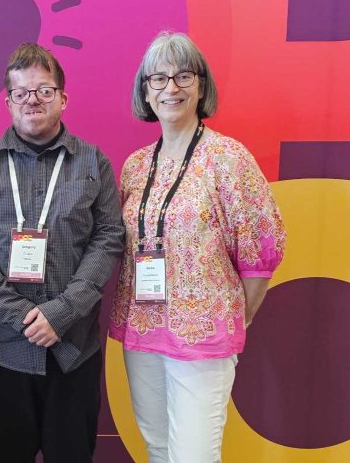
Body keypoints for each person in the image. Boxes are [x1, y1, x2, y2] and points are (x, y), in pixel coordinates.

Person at [109, 32, 286, 463]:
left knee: (194, 457)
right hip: (142, 329)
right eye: (158, 78)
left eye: (183, 76)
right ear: (145, 91)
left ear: (201, 86)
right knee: (157, 449)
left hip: (203, 336)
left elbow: (261, 250)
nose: (171, 88)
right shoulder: (135, 166)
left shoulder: (228, 158)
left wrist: (235, 316)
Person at [0, 43, 125, 463]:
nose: (33, 100)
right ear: (8, 102)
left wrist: (61, 312)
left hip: (73, 350)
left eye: (44, 90)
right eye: (21, 92)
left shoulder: (93, 162)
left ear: (63, 98)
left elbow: (108, 237)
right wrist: (21, 316)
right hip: (2, 351)